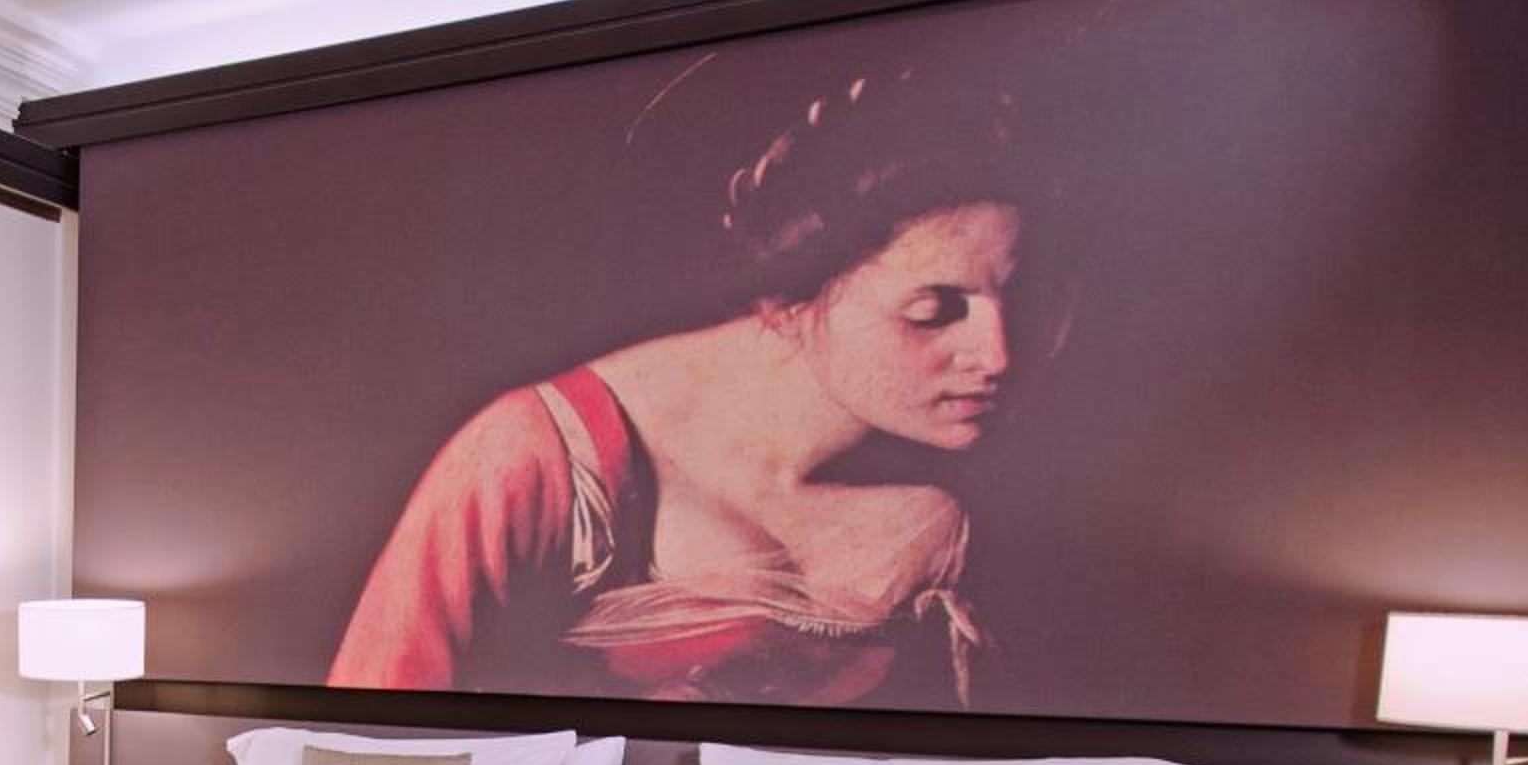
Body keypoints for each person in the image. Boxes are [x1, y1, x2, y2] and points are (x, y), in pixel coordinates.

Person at [327, 72, 1039, 707]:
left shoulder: (945, 515)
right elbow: (374, 731)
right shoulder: (532, 455)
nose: (997, 354)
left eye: (1018, 298)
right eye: (932, 311)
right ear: (787, 302)